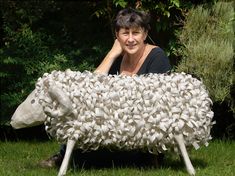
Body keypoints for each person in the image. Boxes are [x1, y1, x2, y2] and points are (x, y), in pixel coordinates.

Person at [39, 7, 171, 168]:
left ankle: (149, 158)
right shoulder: (117, 58)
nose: (130, 39)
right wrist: (111, 54)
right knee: (83, 153)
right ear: (117, 36)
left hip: (143, 133)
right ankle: (65, 155)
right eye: (125, 33)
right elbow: (88, 87)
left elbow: (157, 103)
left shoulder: (157, 56)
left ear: (144, 34)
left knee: (86, 159)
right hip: (115, 128)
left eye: (135, 33)